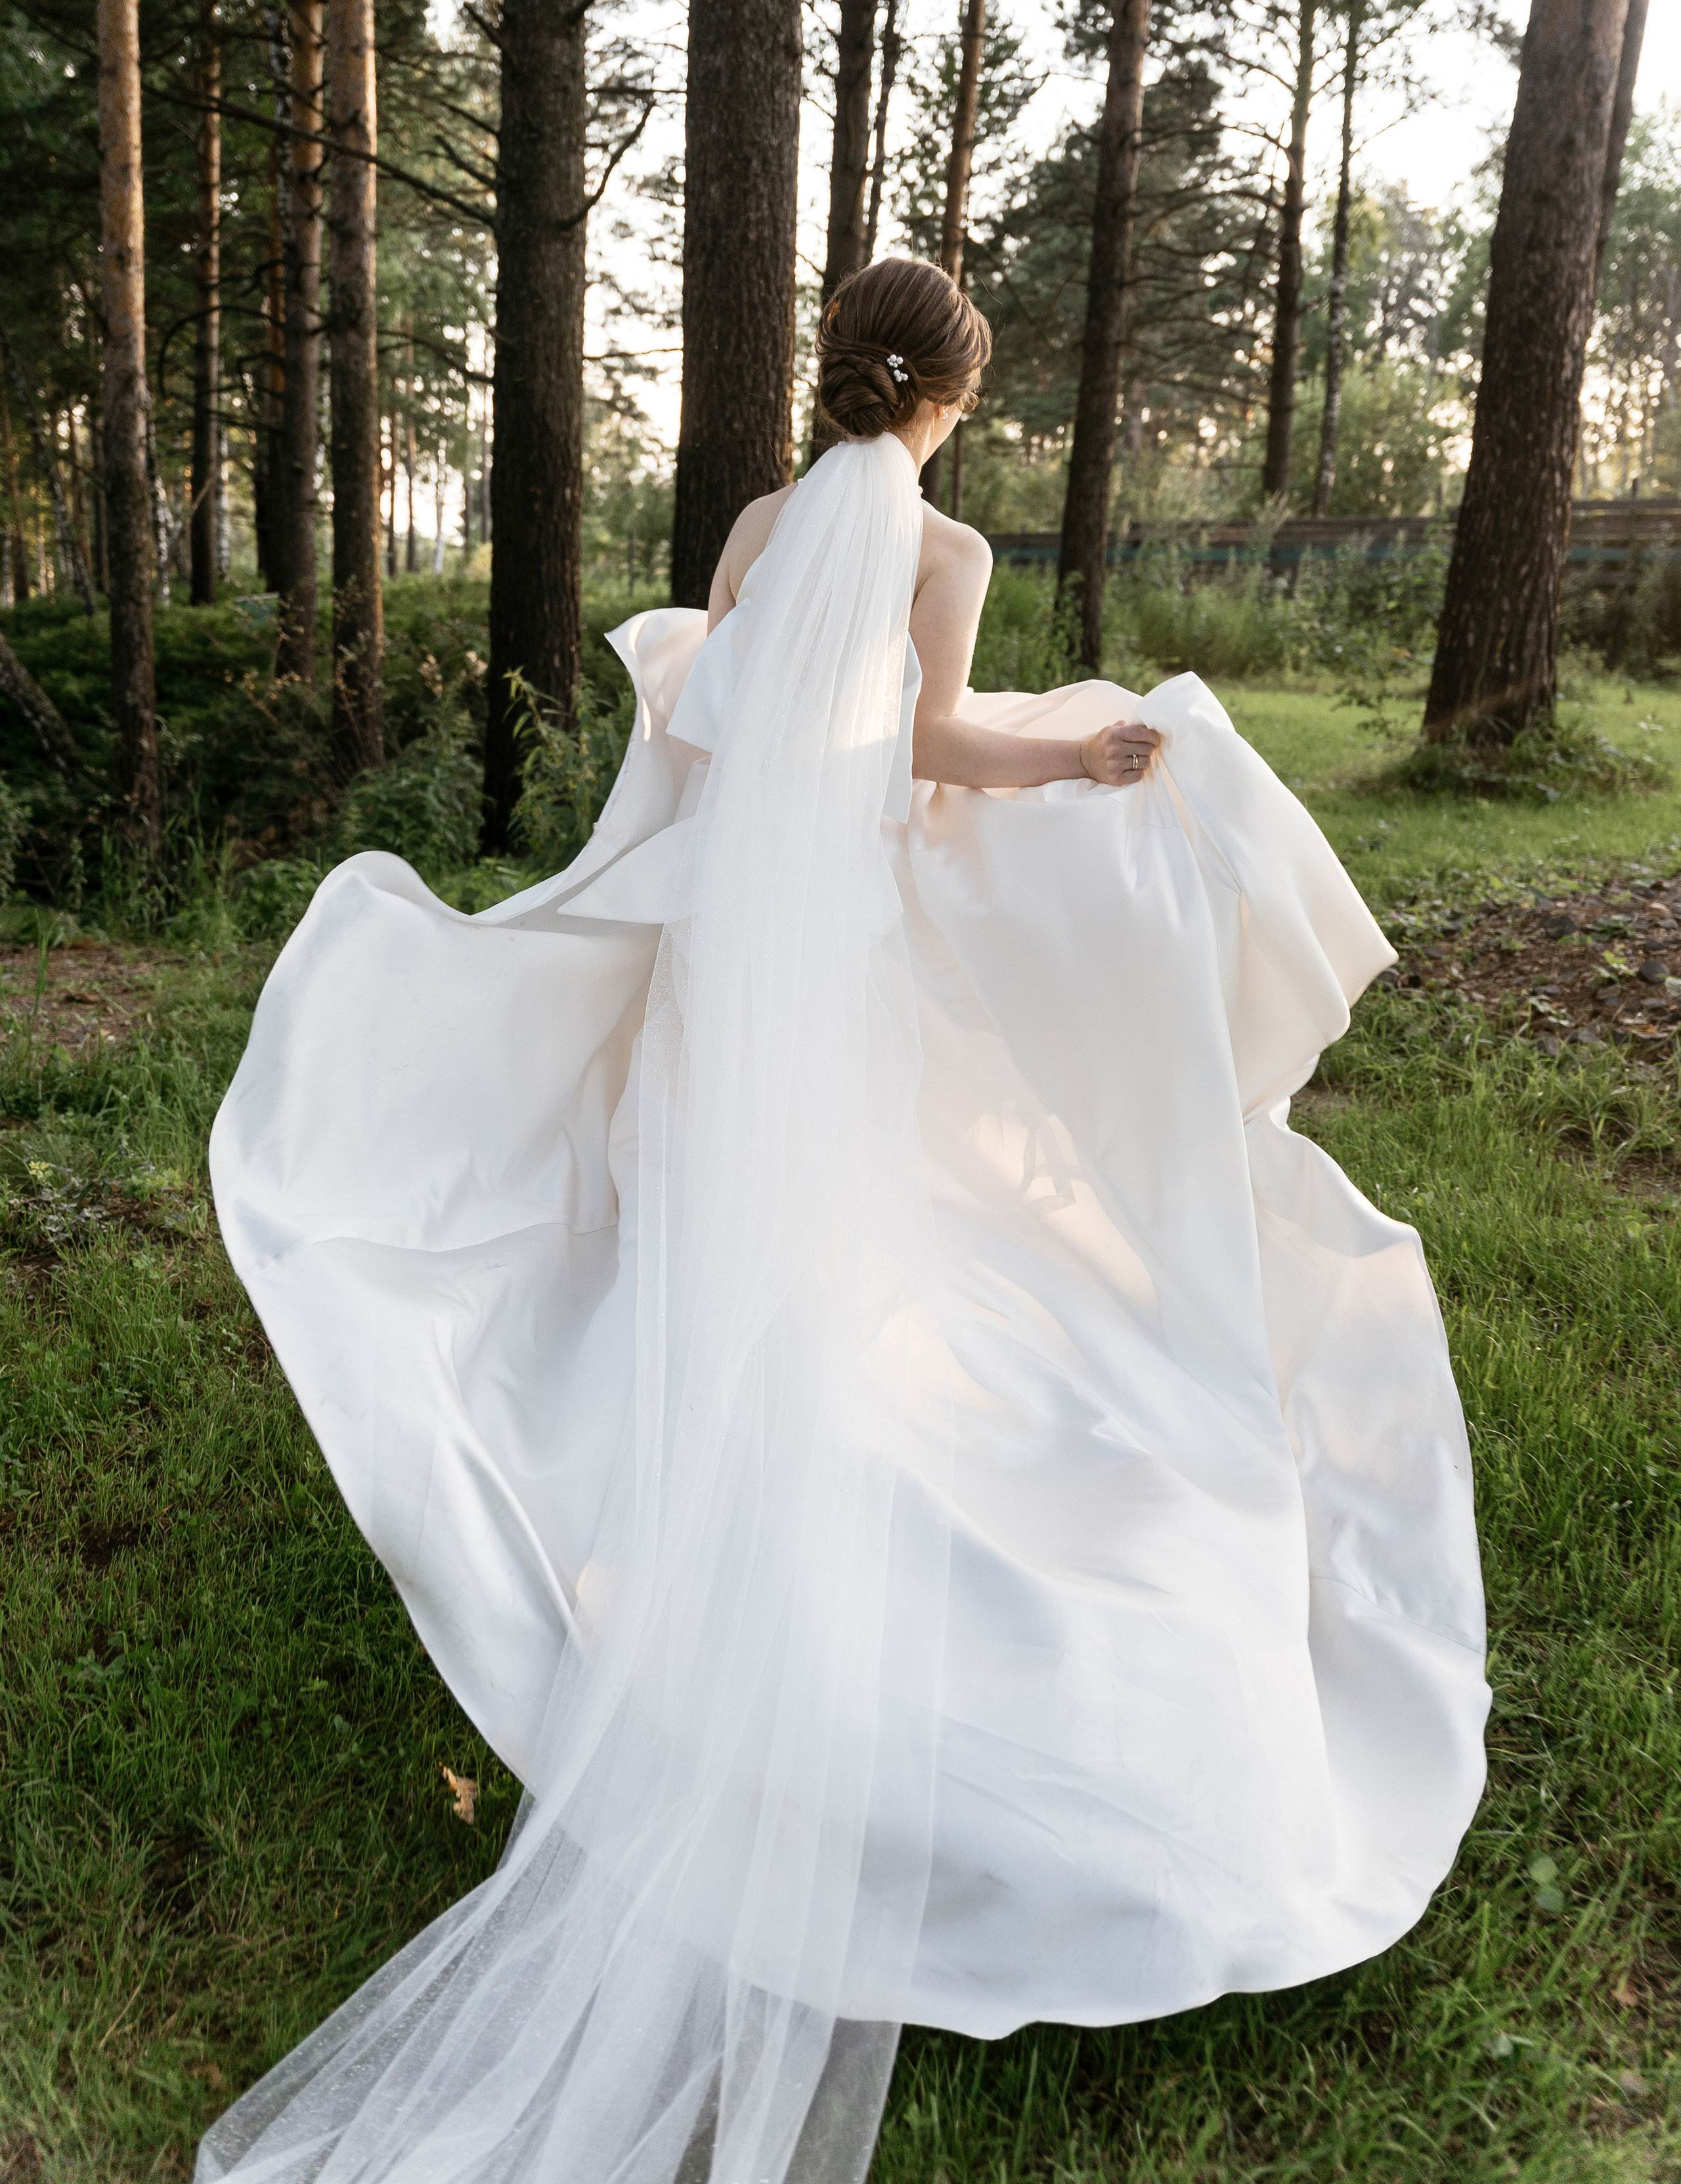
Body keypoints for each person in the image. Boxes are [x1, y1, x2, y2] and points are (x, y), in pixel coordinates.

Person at [201, 255, 1487, 2184]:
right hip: (846, 956)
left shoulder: (756, 520)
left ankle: (680, 1541)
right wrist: (1087, 757)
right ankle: (852, 1596)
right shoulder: (942, 553)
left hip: (728, 955)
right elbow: (928, 743)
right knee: (896, 1258)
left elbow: (722, 719)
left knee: (717, 1255)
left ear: (837, 379)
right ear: (952, 395)